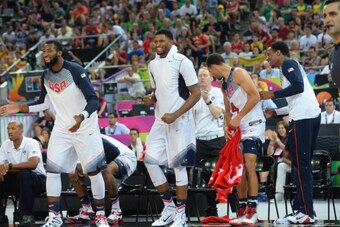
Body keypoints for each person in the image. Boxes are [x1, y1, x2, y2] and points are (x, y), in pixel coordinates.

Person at [0, 40, 109, 227]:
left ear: (59, 53)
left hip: (85, 127)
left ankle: (100, 215)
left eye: (49, 50)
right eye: (43, 51)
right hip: (62, 128)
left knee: (92, 171)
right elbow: (43, 103)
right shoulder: (46, 75)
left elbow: (93, 99)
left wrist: (81, 117)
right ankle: (54, 217)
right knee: (52, 171)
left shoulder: (75, 70)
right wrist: (19, 107)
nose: (45, 53)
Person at [143, 29, 201, 227]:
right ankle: (169, 207)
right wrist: (151, 98)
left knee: (178, 166)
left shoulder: (182, 61)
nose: (157, 43)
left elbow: (196, 93)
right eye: (155, 41)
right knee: (149, 161)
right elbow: (156, 91)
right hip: (160, 121)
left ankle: (181, 216)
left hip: (180, 120)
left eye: (162, 40)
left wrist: (175, 114)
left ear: (171, 41)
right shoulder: (151, 64)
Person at [260, 41, 321, 224]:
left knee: (301, 165)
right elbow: (295, 99)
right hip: (304, 116)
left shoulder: (288, 63)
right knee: (297, 162)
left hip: (304, 118)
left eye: (269, 54)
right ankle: (301, 209)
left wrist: (271, 95)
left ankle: (306, 212)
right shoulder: (285, 68)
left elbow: (298, 86)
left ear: (279, 53)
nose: (267, 58)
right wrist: (276, 112)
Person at [206, 53, 265, 226]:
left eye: (210, 72)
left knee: (249, 163)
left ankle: (252, 210)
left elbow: (255, 96)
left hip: (253, 123)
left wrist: (238, 117)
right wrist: (226, 126)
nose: (212, 77)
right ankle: (242, 208)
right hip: (238, 128)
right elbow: (226, 110)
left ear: (213, 66)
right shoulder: (224, 84)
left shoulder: (238, 73)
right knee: (237, 169)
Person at [67, 135, 136, 225]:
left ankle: (116, 210)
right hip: (107, 158)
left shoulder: (89, 136)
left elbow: (114, 152)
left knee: (105, 169)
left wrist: (93, 170)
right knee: (72, 171)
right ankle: (87, 210)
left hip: (123, 157)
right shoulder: (69, 144)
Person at [192, 66, 225, 217]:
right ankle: (212, 208)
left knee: (221, 174)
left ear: (211, 78)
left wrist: (207, 100)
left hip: (217, 139)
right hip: (200, 140)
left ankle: (236, 206)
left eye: (205, 75)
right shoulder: (193, 95)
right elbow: (191, 119)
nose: (202, 78)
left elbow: (218, 114)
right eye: (200, 75)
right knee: (203, 175)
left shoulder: (218, 93)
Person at [0, 121, 46, 226]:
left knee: (24, 173)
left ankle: (26, 215)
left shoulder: (31, 142)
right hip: (17, 181)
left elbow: (33, 164)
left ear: (21, 130)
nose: (9, 131)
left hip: (38, 181)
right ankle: (1, 215)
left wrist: (10, 166)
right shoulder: (5, 144)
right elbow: (1, 166)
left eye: (13, 128)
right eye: (8, 129)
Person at [267, 121, 291, 202]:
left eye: (282, 128)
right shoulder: (279, 139)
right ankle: (269, 193)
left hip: (290, 163)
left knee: (281, 166)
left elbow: (285, 148)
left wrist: (276, 139)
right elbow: (269, 153)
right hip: (278, 163)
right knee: (273, 165)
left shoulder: (289, 138)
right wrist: (271, 141)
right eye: (279, 128)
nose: (281, 130)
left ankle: (279, 194)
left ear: (286, 129)